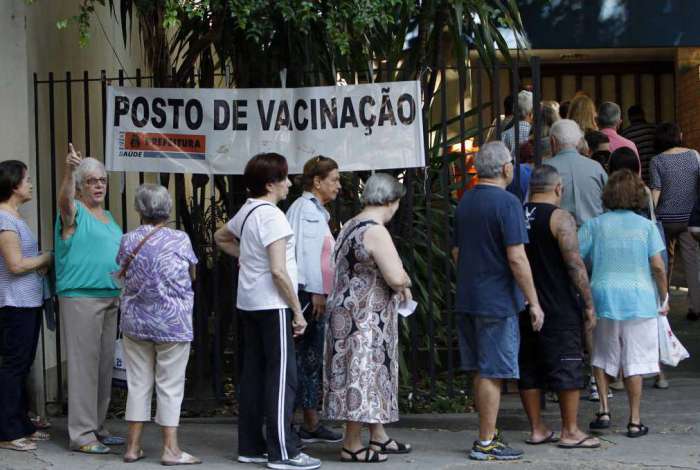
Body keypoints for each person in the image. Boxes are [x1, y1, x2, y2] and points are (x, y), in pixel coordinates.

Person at [214, 153, 321, 470]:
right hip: (272, 305)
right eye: (285, 178)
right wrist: (297, 313)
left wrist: (247, 257)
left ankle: (251, 446)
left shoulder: (248, 210)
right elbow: (278, 271)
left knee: (254, 376)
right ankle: (282, 452)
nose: (289, 183)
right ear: (271, 183)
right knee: (281, 379)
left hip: (248, 302)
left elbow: (221, 237)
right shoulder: (273, 216)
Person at [452, 141, 545, 461]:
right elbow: (517, 258)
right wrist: (534, 301)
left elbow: (456, 252)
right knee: (493, 371)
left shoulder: (465, 203)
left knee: (480, 369)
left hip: (468, 295)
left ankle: (488, 432)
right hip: (497, 299)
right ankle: (486, 441)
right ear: (506, 168)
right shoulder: (508, 204)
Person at [323, 173, 412, 463]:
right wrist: (405, 283)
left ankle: (378, 435)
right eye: (397, 201)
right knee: (361, 374)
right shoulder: (375, 230)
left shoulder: (350, 225)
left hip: (345, 313)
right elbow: (396, 276)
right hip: (365, 319)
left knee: (361, 373)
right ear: (389, 200)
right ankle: (351, 444)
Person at [579, 169, 669, 438]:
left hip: (603, 295)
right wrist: (663, 296)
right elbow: (658, 266)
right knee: (635, 360)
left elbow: (576, 259)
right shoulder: (646, 227)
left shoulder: (595, 225)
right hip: (639, 297)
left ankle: (604, 411)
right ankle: (634, 420)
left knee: (601, 355)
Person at [117, 184, 200, 465]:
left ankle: (132, 447)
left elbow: (123, 271)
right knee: (170, 385)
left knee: (138, 383)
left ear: (139, 209)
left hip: (135, 322)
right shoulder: (180, 240)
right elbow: (192, 274)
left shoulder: (128, 240)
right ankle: (170, 450)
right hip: (173, 324)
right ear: (167, 209)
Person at [519, 165, 600, 449]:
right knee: (567, 363)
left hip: (525, 304)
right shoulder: (559, 217)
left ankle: (537, 428)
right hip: (558, 304)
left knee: (529, 365)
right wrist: (589, 304)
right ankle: (570, 430)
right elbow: (574, 262)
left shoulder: (517, 215)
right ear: (558, 189)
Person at [55, 144, 124, 453]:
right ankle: (81, 435)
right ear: (81, 186)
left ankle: (96, 425)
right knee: (84, 367)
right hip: (81, 297)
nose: (98, 185)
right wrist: (69, 171)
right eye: (92, 180)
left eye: (102, 180)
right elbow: (64, 202)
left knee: (103, 366)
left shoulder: (108, 215)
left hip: (110, 297)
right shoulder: (75, 212)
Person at [285, 156, 342, 444]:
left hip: (308, 293)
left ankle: (308, 421)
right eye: (334, 179)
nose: (338, 186)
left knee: (306, 359)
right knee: (303, 358)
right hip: (308, 294)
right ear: (317, 182)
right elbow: (306, 255)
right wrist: (318, 291)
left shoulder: (311, 210)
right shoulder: (307, 211)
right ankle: (296, 423)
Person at [0, 160, 53, 452]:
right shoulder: (4, 220)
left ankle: (21, 423)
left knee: (22, 365)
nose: (30, 183)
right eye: (27, 179)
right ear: (14, 185)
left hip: (27, 302)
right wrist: (46, 258)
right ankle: (7, 431)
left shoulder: (15, 217)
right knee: (14, 366)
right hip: (14, 303)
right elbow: (16, 264)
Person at [650, 123, 700, 321]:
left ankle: (662, 303)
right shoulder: (695, 155)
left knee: (662, 261)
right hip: (690, 218)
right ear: (678, 135)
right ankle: (696, 307)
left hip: (665, 220)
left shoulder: (657, 160)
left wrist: (650, 217)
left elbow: (656, 189)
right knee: (692, 263)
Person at [546, 120, 608, 227]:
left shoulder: (544, 169)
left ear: (553, 141)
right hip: (595, 235)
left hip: (557, 237)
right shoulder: (596, 168)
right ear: (579, 142)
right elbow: (609, 204)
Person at [504, 91, 534, 200]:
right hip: (533, 182)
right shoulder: (536, 134)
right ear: (531, 113)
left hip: (510, 183)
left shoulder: (505, 135)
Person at [598, 102, 641, 172]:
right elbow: (636, 176)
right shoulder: (630, 145)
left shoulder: (587, 144)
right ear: (619, 123)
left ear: (597, 121)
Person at [621, 105, 657, 185]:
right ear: (643, 115)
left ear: (629, 118)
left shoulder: (625, 134)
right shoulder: (654, 129)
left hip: (637, 180)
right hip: (655, 176)